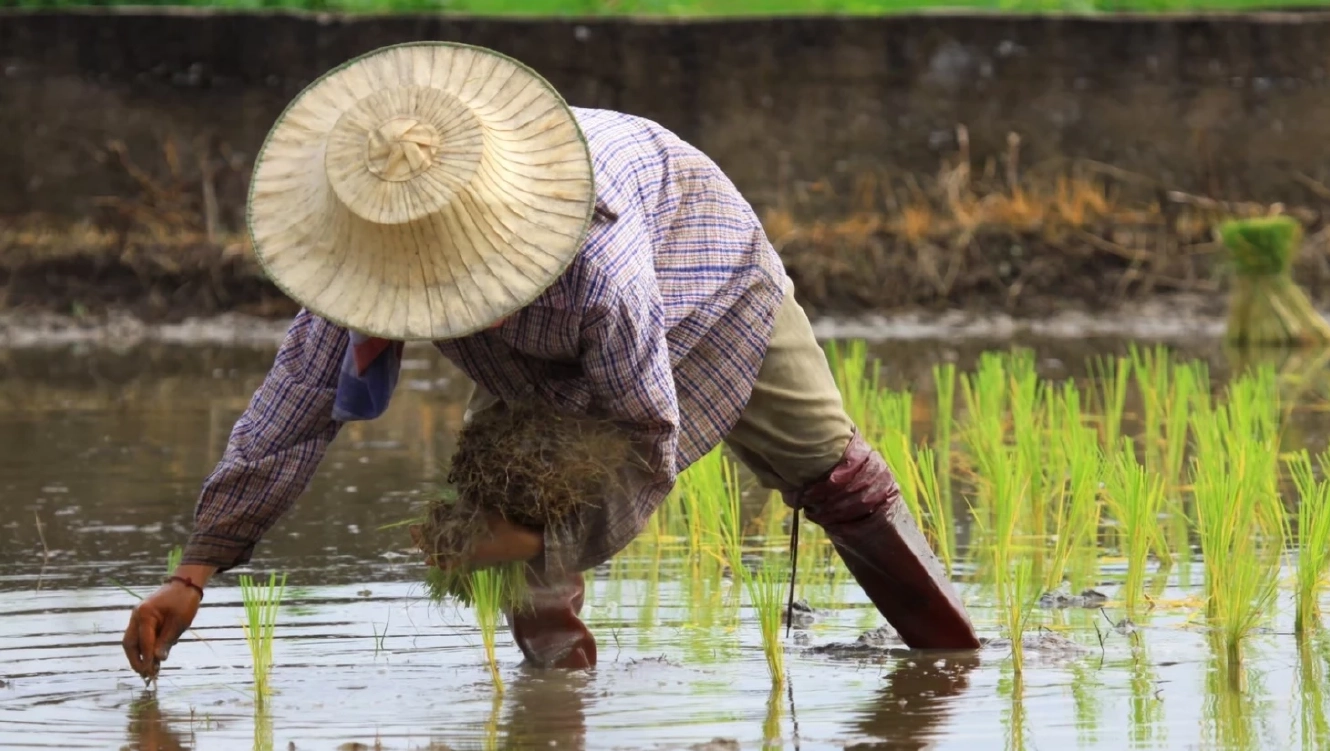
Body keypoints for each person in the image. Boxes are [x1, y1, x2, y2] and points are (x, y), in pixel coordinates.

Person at [122, 41, 979, 680]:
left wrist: (539, 533)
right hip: (543, 342)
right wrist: (195, 571)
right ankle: (555, 713)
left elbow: (645, 436)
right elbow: (298, 401)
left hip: (704, 273)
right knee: (504, 498)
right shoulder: (368, 249)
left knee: (831, 474)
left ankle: (956, 665)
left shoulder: (597, 272)